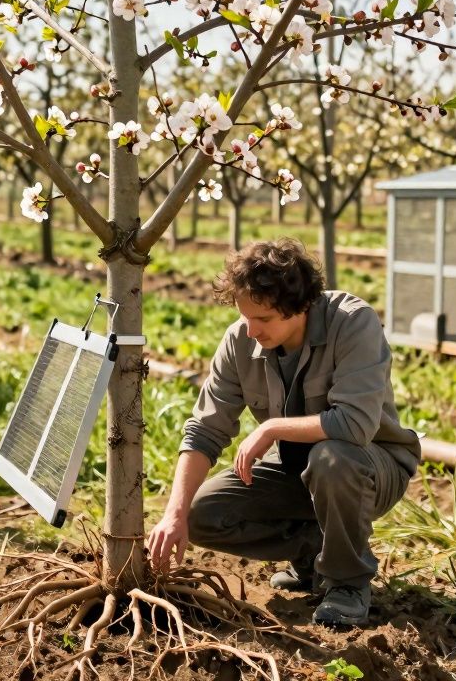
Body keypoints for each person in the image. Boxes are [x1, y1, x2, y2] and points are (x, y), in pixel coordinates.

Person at [145, 238, 421, 626]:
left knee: (332, 457)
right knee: (201, 514)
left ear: (302, 305)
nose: (252, 330)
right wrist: (173, 515)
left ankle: (347, 582)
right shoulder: (240, 340)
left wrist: (273, 427)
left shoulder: (352, 322)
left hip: (370, 466)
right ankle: (316, 554)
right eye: (246, 317)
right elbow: (206, 429)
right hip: (296, 467)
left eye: (265, 319)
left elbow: (354, 425)